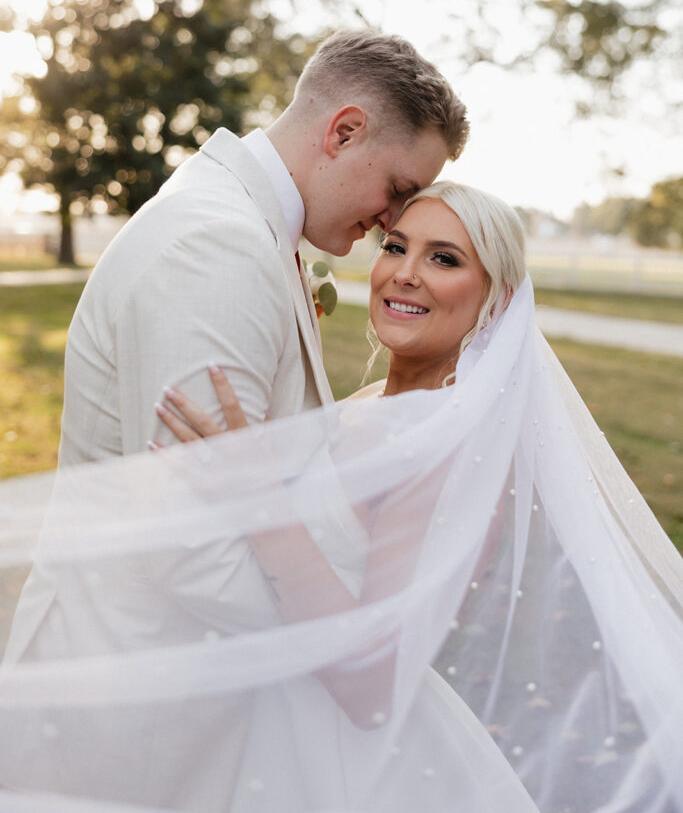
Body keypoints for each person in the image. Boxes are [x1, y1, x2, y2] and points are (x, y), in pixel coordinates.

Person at [1, 184, 681, 813]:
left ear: (496, 300)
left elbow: (370, 685)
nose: (405, 272)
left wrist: (264, 507)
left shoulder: (436, 445)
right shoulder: (373, 407)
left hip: (334, 759)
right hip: (253, 722)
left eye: (443, 258)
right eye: (395, 246)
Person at [57, 29, 466, 465]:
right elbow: (191, 515)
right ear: (344, 133)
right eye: (398, 188)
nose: (394, 220)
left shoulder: (240, 221)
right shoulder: (219, 246)